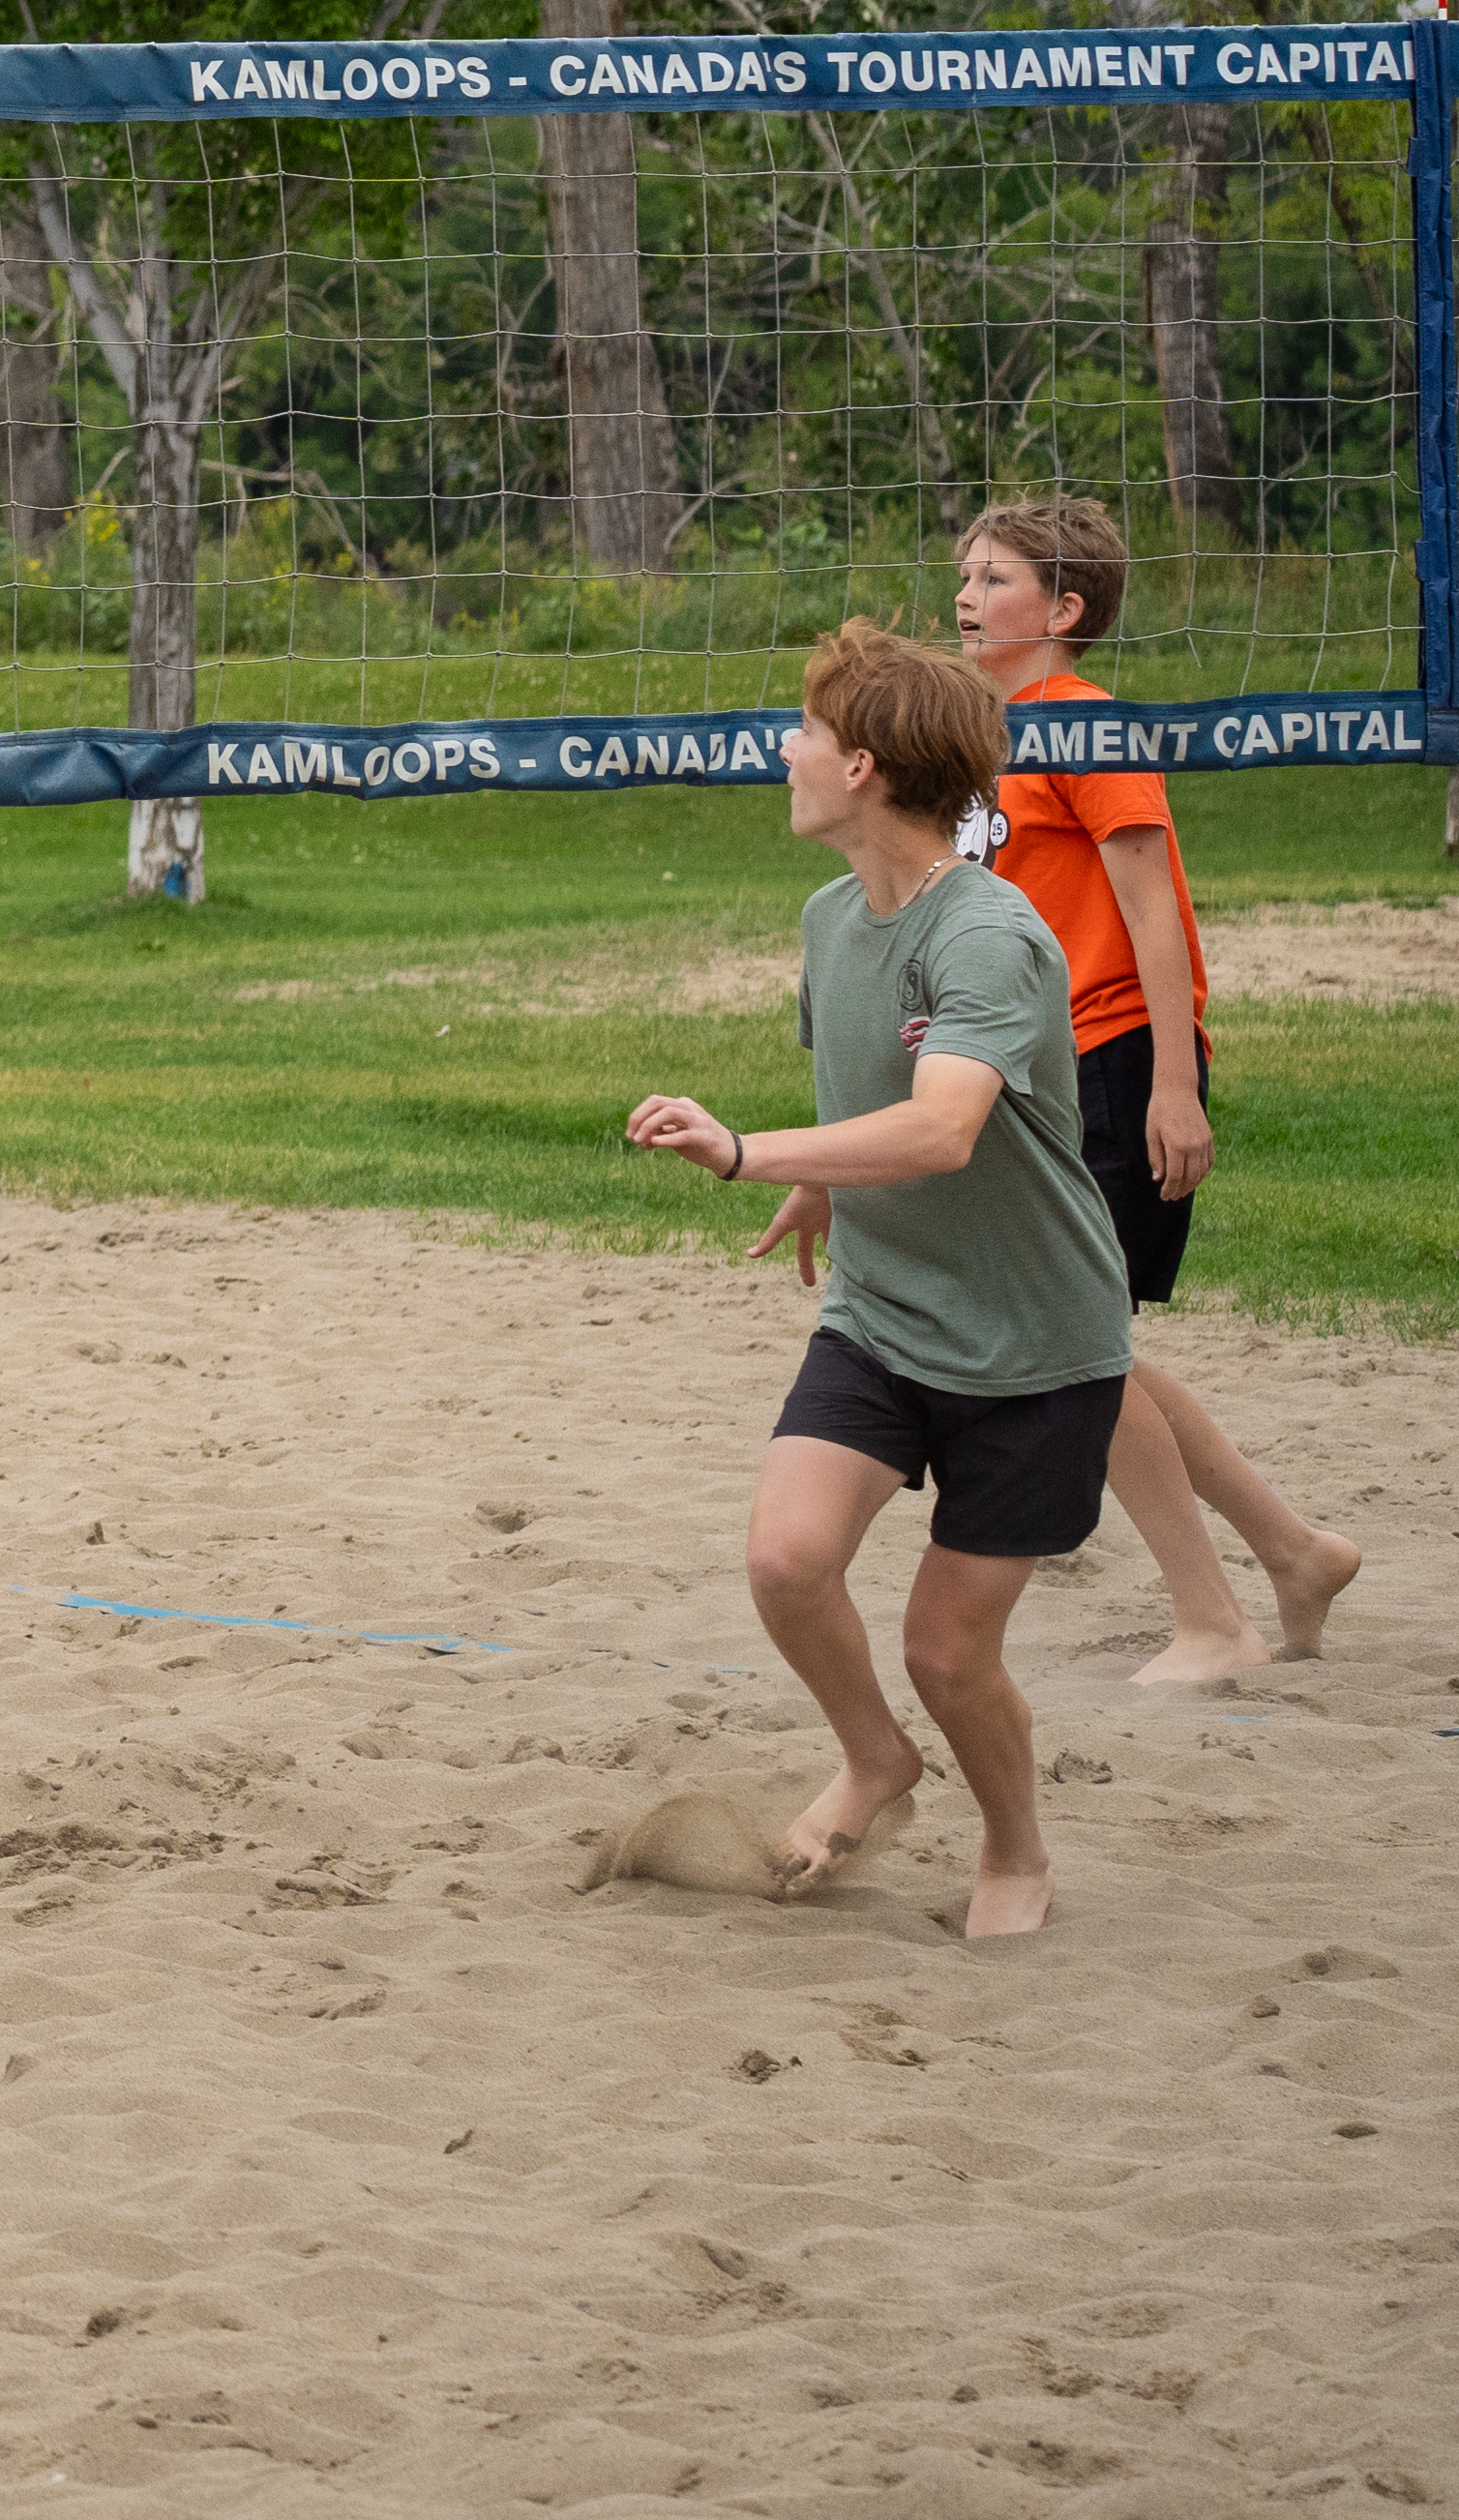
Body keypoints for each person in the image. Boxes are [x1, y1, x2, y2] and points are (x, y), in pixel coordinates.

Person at [625, 620, 1130, 1940]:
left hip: (1036, 1346)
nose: (780, 751)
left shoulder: (992, 935)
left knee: (947, 1653)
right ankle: (877, 1761)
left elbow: (943, 1126)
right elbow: (868, 1089)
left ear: (860, 769)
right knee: (789, 1561)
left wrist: (746, 1153)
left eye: (800, 733)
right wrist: (816, 1179)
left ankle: (1016, 1849)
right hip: (886, 1314)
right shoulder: (831, 916)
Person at [947, 495, 1357, 1682]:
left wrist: (1177, 1084)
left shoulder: (1085, 728)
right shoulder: (987, 738)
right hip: (1035, 1073)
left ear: (1065, 610)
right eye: (964, 575)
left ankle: (1213, 1618)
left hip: (1119, 1056)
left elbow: (1152, 912)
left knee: (1076, 1348)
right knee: (1091, 1345)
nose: (968, 596)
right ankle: (1290, 1550)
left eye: (996, 578)